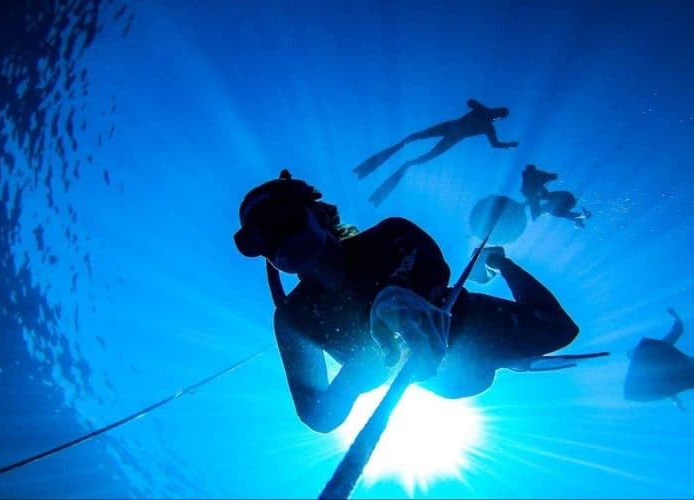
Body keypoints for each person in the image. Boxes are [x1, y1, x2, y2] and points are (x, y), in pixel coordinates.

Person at [234, 170, 582, 433]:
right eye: (257, 240)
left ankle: (499, 262)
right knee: (468, 376)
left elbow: (431, 265)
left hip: (465, 326)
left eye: (283, 220)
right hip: (437, 379)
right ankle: (501, 356)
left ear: (320, 215)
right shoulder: (293, 319)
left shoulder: (389, 235)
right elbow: (317, 414)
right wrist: (354, 379)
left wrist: (396, 295)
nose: (277, 241)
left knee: (559, 330)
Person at [353, 99, 518, 206]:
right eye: (497, 113)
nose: (496, 116)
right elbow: (470, 102)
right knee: (418, 137)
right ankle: (377, 164)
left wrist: (508, 144)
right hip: (452, 127)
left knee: (427, 154)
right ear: (496, 111)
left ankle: (405, 165)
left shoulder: (488, 126)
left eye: (498, 116)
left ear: (498, 118)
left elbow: (495, 144)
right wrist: (482, 108)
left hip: (454, 135)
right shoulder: (483, 114)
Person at [623, 308, 694, 411]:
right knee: (691, 375)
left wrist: (676, 316)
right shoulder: (645, 368)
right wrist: (678, 404)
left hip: (684, 370)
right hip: (679, 376)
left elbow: (676, 332)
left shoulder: (657, 350)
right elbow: (664, 388)